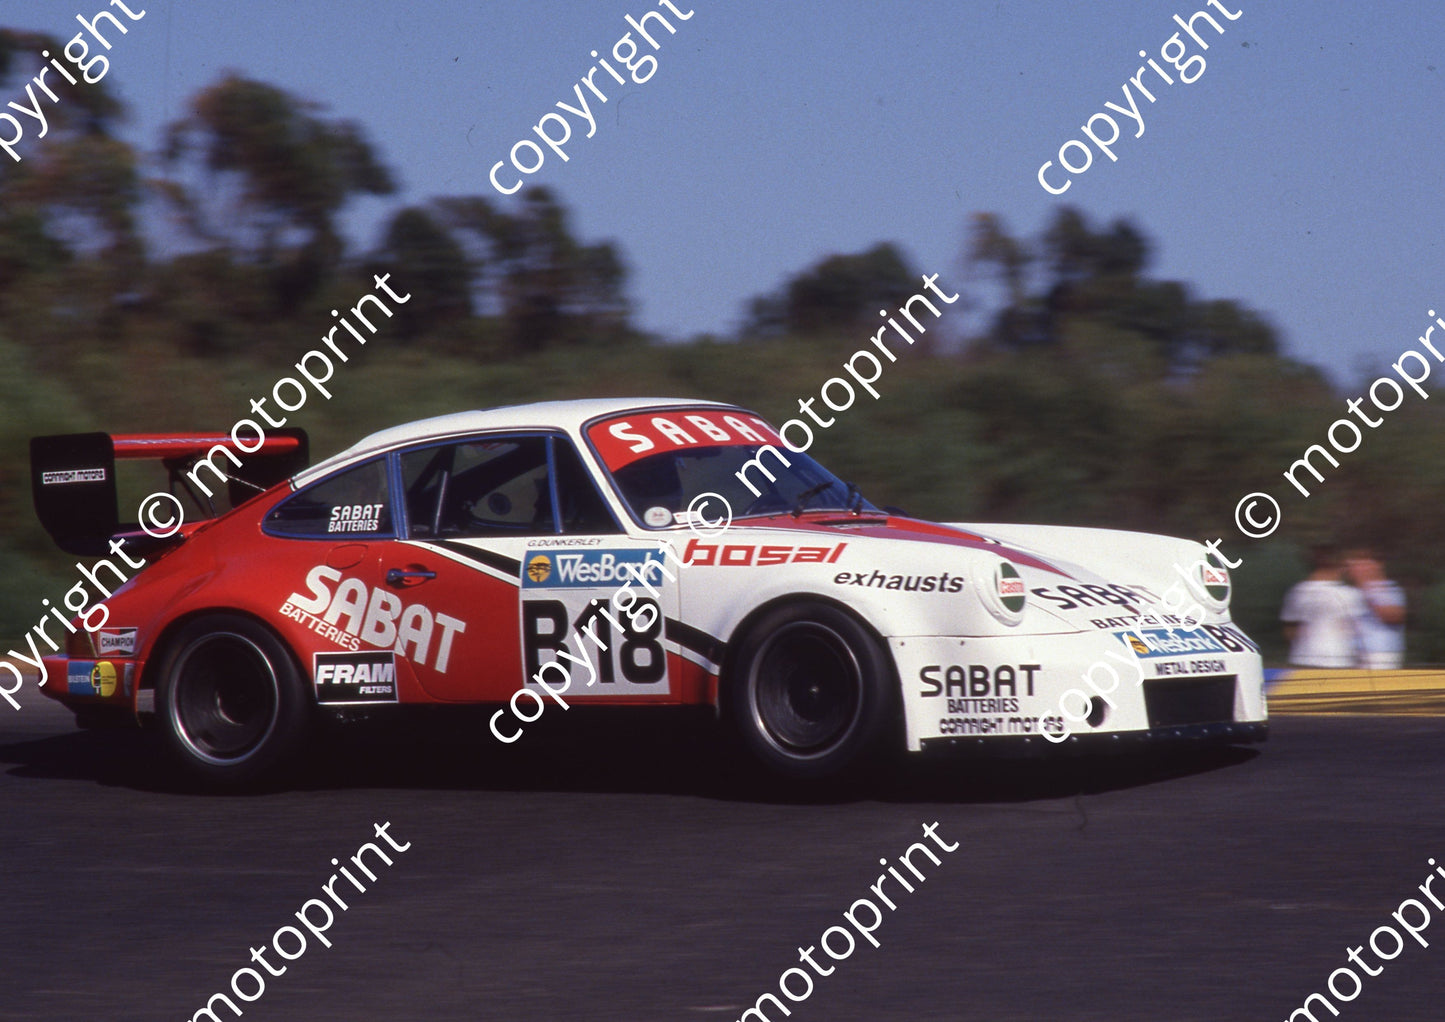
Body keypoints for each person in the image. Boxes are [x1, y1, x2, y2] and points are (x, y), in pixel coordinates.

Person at [1280, 545, 1367, 668]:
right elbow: (1359, 630)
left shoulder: (1297, 592)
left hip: (1304, 658)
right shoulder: (1350, 594)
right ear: (1340, 567)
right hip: (1340, 659)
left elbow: (1290, 631)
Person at [1343, 549, 1406, 669]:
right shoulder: (1351, 592)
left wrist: (1367, 592)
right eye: (1354, 566)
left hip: (1381, 654)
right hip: (1355, 654)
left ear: (1376, 566)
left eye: (1363, 565)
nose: (1357, 570)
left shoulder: (1390, 589)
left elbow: (1393, 617)